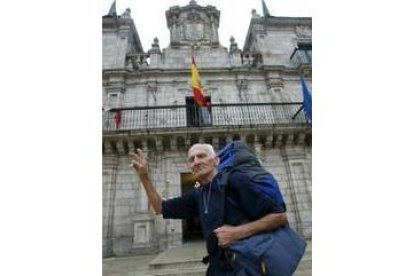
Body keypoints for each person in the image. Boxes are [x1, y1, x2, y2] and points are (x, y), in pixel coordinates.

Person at [130, 143, 287, 275]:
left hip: (247, 266)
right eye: (192, 159)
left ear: (216, 160)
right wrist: (144, 176)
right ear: (189, 167)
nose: (196, 161)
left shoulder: (236, 181)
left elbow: (280, 217)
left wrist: (238, 233)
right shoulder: (198, 194)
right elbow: (160, 208)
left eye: (202, 156)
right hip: (217, 268)